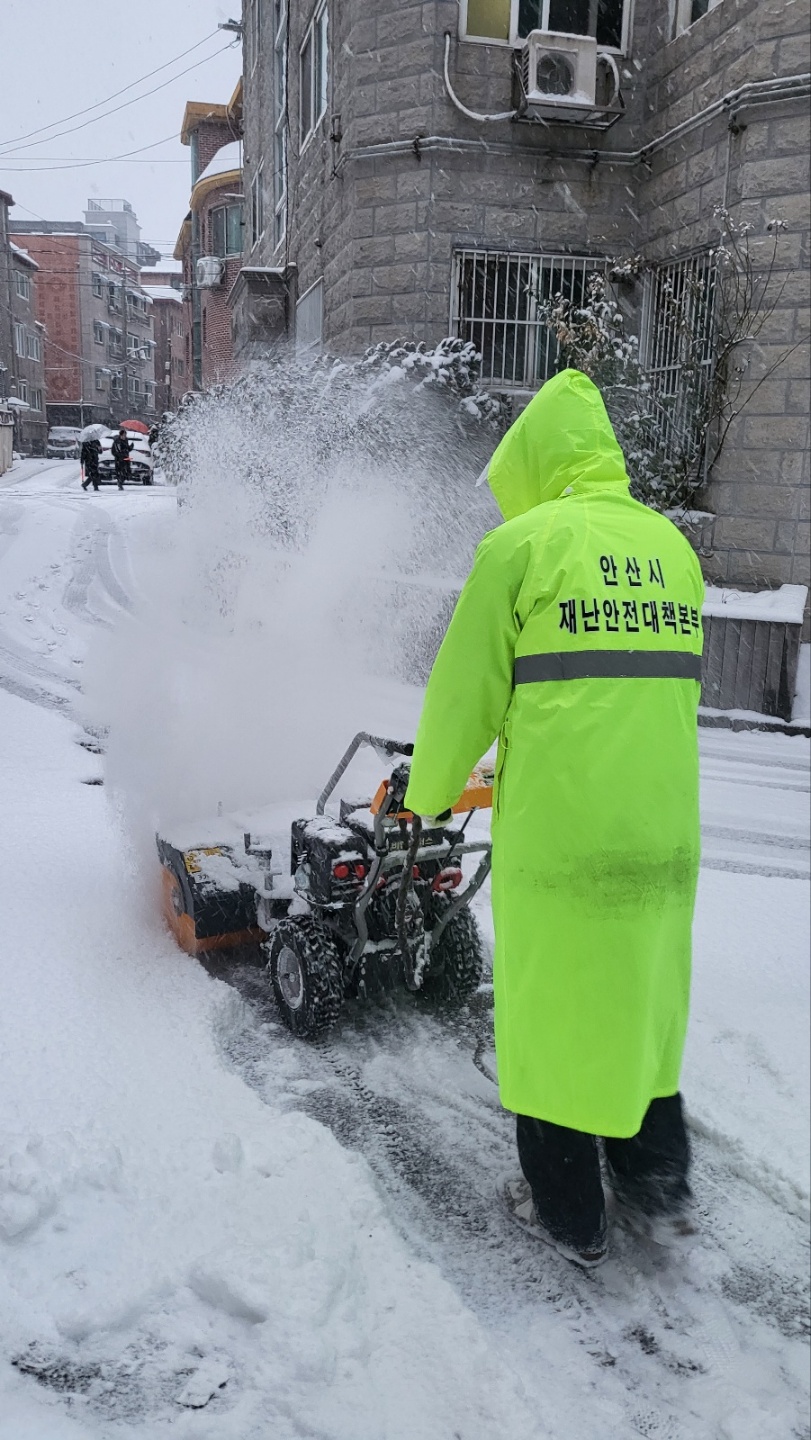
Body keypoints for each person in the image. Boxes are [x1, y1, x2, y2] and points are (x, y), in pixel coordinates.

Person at [404, 369, 704, 1268]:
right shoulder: (671, 550)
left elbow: (464, 697)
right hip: (664, 834)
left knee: (553, 1024)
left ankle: (569, 1216)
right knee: (642, 1014)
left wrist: (423, 797)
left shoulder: (523, 549)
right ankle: (657, 1183)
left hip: (564, 847)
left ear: (535, 461)